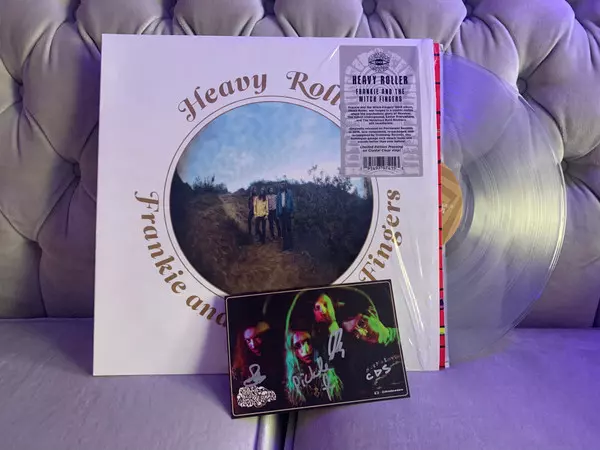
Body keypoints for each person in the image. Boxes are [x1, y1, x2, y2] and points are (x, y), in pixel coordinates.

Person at [284, 300, 343, 407]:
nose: (306, 350)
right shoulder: (292, 381)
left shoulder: (331, 363)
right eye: (298, 346)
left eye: (308, 342)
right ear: (292, 351)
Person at [276, 182, 294, 251]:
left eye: (283, 185)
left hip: (288, 212)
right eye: (281, 185)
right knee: (283, 230)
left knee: (289, 229)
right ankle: (285, 247)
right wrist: (277, 214)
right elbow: (277, 205)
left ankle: (291, 246)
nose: (282, 186)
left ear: (285, 186)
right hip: (281, 213)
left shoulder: (289, 192)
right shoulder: (278, 194)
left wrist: (292, 212)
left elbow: (292, 202)